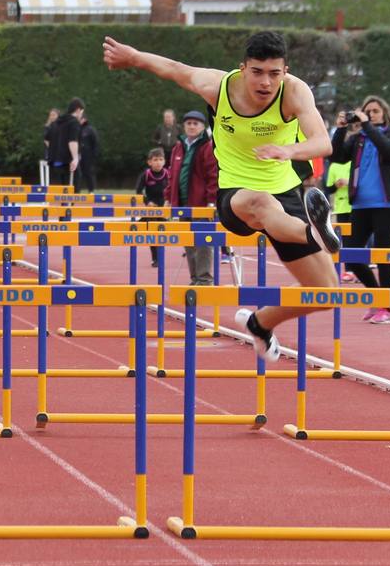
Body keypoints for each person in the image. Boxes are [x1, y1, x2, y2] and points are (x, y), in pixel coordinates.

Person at [103, 31, 339, 362]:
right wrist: (133, 56)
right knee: (260, 203)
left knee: (327, 293)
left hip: (285, 192)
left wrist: (287, 149)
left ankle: (260, 323)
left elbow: (322, 143)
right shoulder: (218, 86)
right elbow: (174, 68)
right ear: (242, 68)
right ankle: (313, 232)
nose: (265, 83)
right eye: (257, 72)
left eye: (274, 74)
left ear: (285, 71)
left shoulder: (295, 91)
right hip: (236, 195)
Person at [330, 97, 390, 322]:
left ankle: (386, 309)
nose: (371, 114)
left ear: (384, 113)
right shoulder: (358, 138)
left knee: (382, 256)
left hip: (387, 204)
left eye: (375, 111)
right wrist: (341, 130)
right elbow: (336, 156)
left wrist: (368, 126)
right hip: (360, 204)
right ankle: (376, 296)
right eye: (367, 111)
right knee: (351, 256)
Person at [166, 110, 220, 286]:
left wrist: (212, 200)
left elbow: (214, 176)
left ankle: (204, 279)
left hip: (202, 204)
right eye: (188, 123)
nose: (191, 126)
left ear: (203, 126)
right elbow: (172, 175)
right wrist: (168, 197)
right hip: (182, 203)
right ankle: (195, 278)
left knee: (203, 242)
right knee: (188, 242)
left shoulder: (208, 147)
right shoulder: (178, 146)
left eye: (195, 123)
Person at [134, 147, 170, 267]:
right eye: (155, 160)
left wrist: (168, 201)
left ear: (164, 161)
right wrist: (147, 202)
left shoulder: (168, 174)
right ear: (149, 162)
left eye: (160, 159)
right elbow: (138, 191)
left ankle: (161, 256)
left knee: (162, 233)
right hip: (151, 208)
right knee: (153, 233)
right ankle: (155, 258)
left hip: (164, 206)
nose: (158, 162)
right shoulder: (146, 174)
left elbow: (173, 190)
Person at [47, 98, 84, 187]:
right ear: (78, 110)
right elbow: (72, 141)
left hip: (55, 163)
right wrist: (75, 158)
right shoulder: (74, 122)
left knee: (59, 196)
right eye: (82, 112)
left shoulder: (56, 122)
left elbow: (47, 139)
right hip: (68, 164)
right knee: (72, 195)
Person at [76, 113, 100, 193]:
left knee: (89, 173)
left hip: (88, 156)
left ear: (84, 119)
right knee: (78, 174)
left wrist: (94, 155)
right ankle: (77, 190)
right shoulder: (76, 129)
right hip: (78, 155)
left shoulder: (90, 129)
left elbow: (95, 143)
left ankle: (91, 190)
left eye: (80, 119)